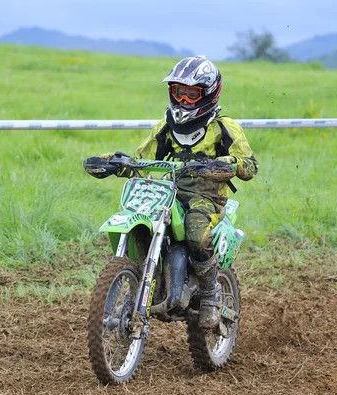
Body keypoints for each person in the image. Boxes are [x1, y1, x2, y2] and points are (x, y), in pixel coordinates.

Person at [84, 55, 258, 329]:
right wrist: (113, 162)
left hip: (207, 196)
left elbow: (249, 165)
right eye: (179, 93)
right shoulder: (166, 127)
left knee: (195, 229)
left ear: (209, 94)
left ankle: (211, 296)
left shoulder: (223, 126)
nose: (184, 101)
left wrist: (225, 163)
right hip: (170, 190)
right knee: (144, 214)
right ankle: (146, 279)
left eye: (192, 95)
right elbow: (142, 158)